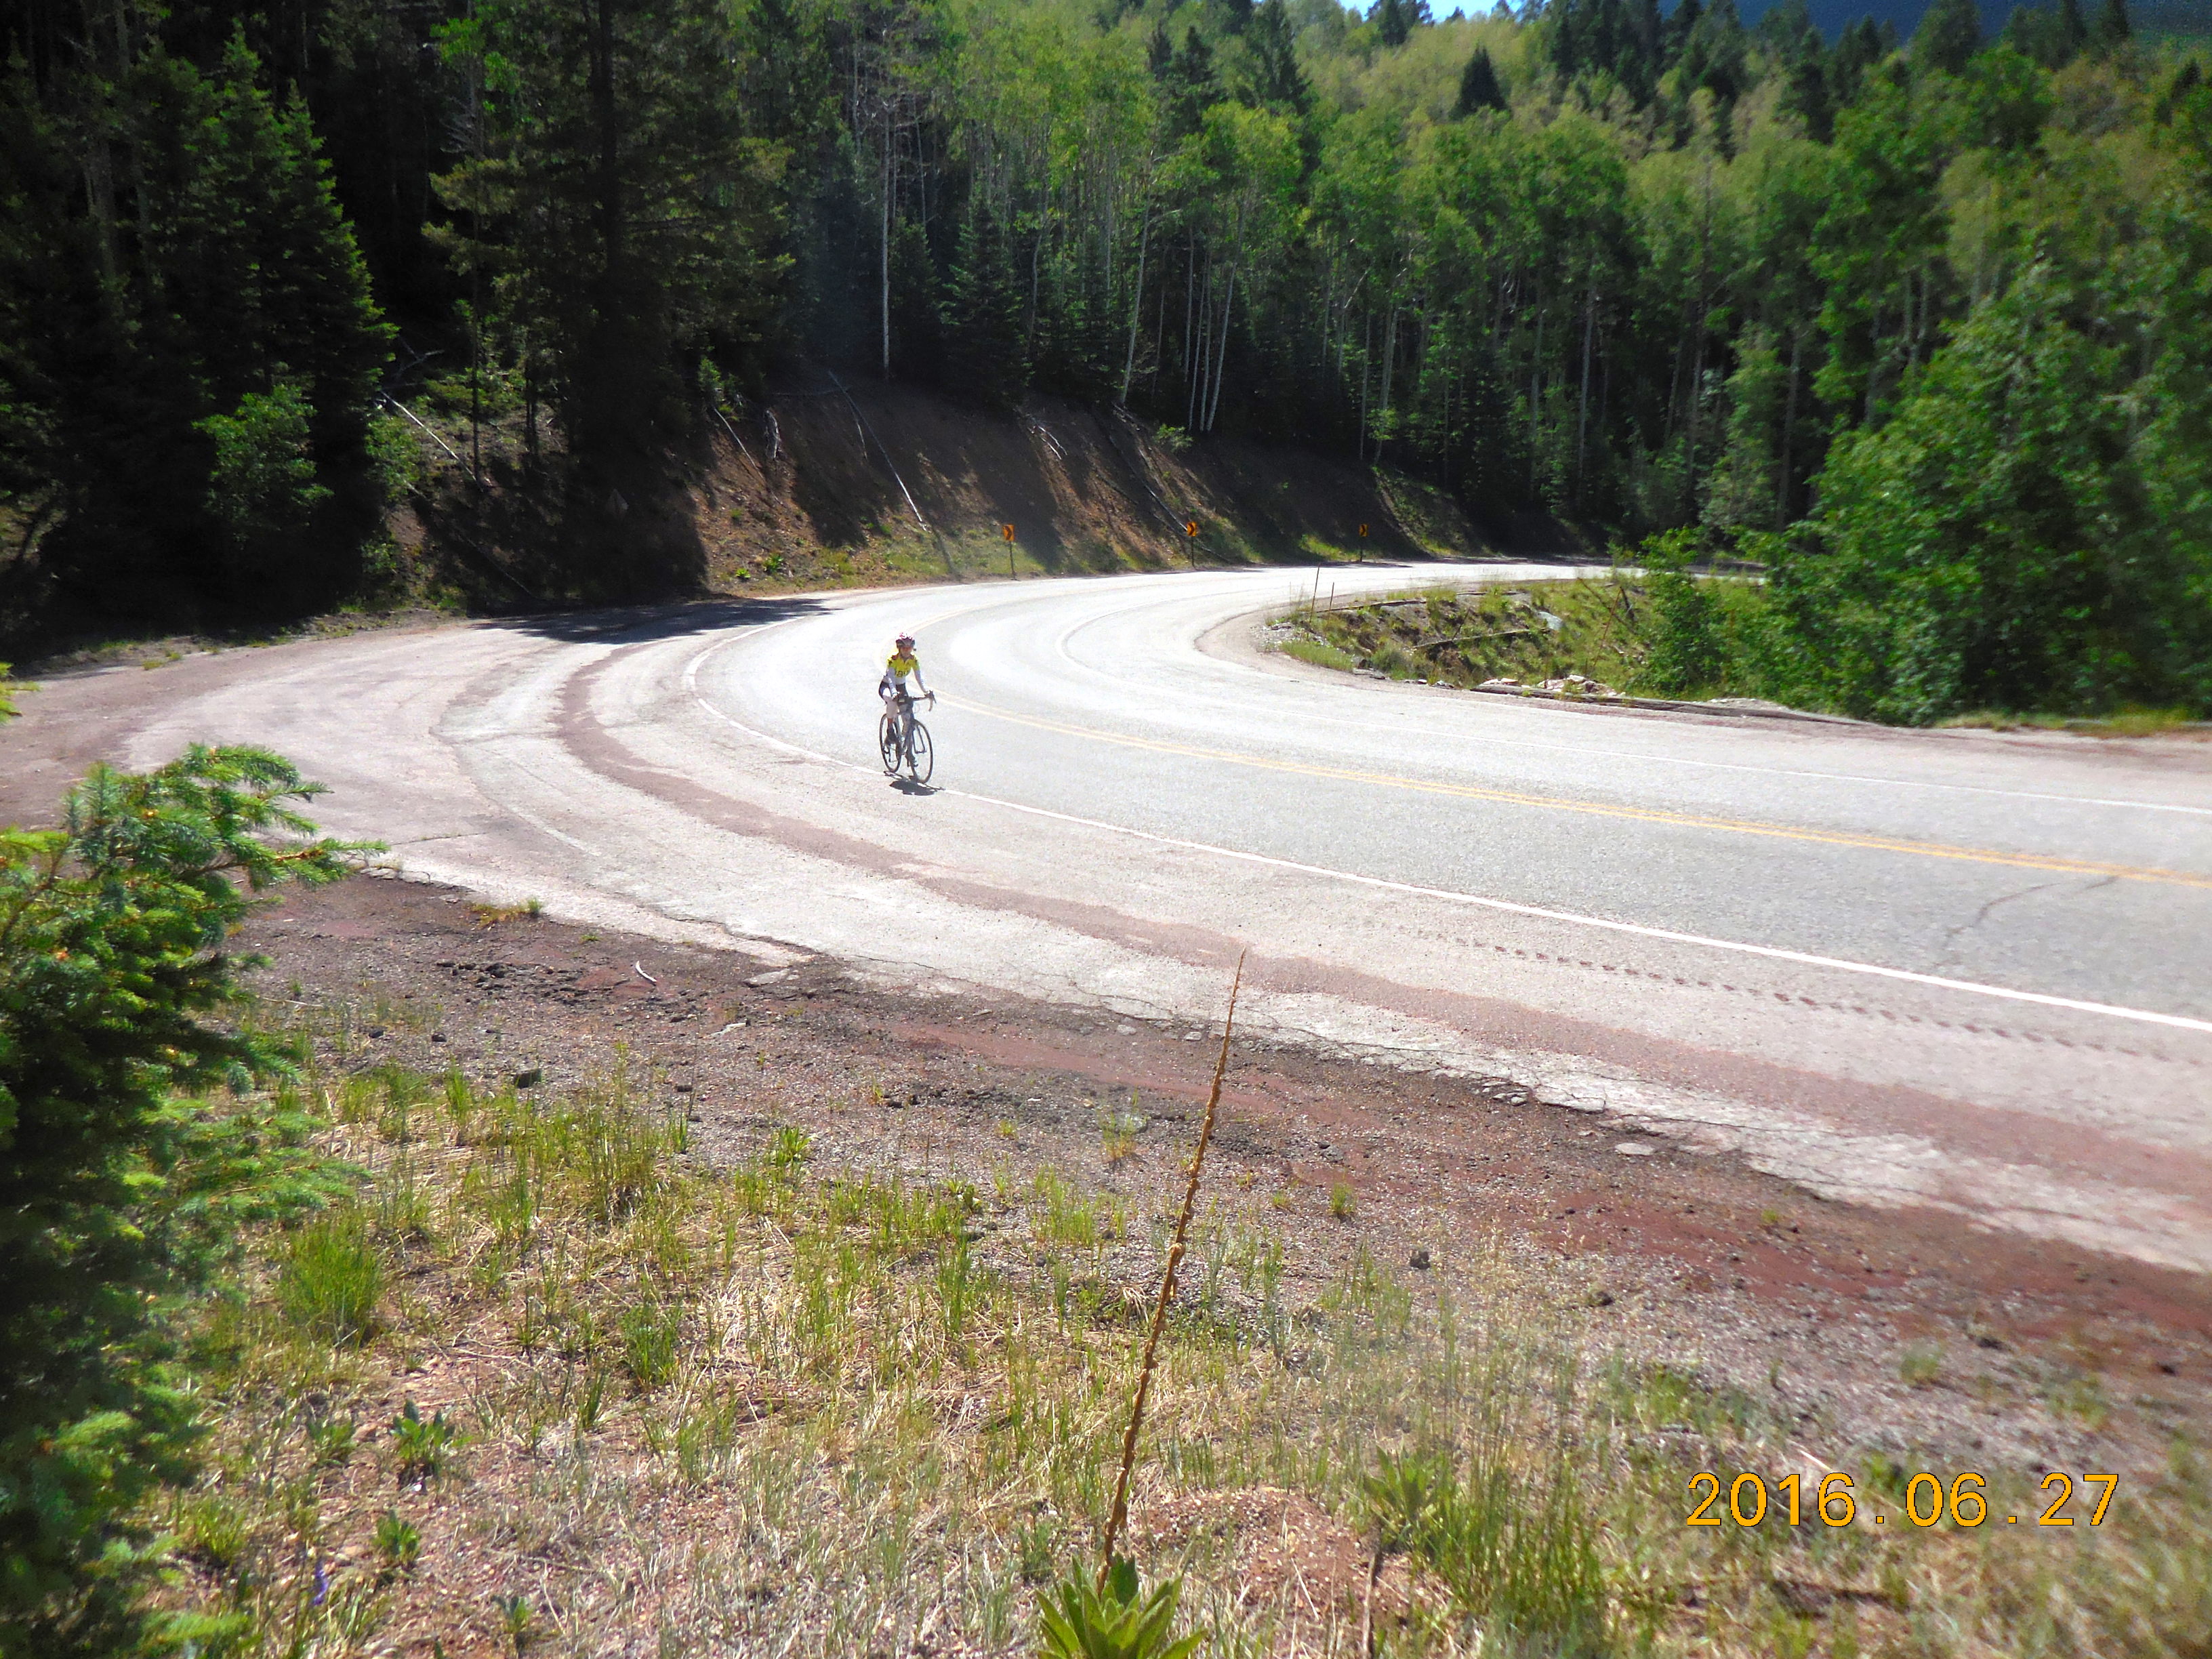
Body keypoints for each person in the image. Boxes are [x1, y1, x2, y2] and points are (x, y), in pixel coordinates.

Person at [879, 632, 934, 762]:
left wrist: (927, 691)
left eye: (909, 648)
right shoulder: (893, 659)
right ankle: (890, 729)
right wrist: (894, 693)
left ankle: (907, 749)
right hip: (887, 686)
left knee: (908, 720)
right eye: (904, 648)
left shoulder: (914, 659)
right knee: (893, 702)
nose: (907, 651)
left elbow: (919, 677)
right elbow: (891, 679)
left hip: (901, 687)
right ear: (899, 648)